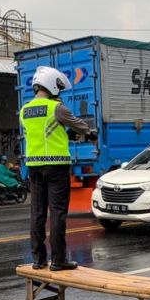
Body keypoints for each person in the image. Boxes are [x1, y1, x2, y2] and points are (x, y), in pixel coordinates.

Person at [20, 65, 96, 271]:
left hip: (34, 167)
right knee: (57, 214)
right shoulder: (56, 107)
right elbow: (77, 124)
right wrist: (89, 133)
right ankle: (59, 260)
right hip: (56, 168)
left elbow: (44, 133)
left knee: (37, 214)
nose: (59, 92)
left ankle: (38, 260)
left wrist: (66, 135)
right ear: (52, 85)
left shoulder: (24, 111)